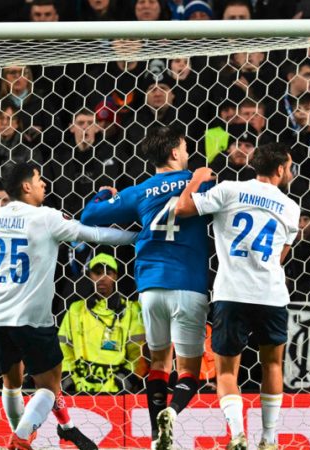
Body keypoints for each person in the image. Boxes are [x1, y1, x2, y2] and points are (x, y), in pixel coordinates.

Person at [0, 162, 135, 450]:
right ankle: (21, 437)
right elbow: (95, 234)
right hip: (29, 316)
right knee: (49, 387)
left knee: (12, 383)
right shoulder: (45, 217)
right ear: (26, 186)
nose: (44, 184)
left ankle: (34, 430)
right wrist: (138, 238)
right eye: (38, 179)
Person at [81, 126, 212, 450]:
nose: (188, 153)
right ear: (174, 153)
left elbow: (89, 215)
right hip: (189, 284)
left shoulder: (141, 191)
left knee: (158, 364)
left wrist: (103, 194)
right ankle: (172, 411)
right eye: (185, 148)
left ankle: (156, 437)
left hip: (151, 286)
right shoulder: (200, 181)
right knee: (189, 371)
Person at [175, 142, 301, 450]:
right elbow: (280, 256)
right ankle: (269, 439)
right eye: (289, 167)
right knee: (272, 365)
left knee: (227, 370)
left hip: (231, 292)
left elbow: (182, 208)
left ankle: (237, 435)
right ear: (280, 169)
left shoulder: (229, 189)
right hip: (271, 294)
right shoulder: (290, 207)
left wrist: (195, 179)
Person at [59, 253, 148, 393]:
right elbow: (64, 349)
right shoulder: (76, 309)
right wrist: (68, 382)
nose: (102, 278)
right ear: (90, 275)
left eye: (108, 273)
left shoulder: (131, 311)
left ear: (116, 276)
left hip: (118, 392)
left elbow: (138, 355)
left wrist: (121, 384)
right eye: (97, 273)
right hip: (79, 390)